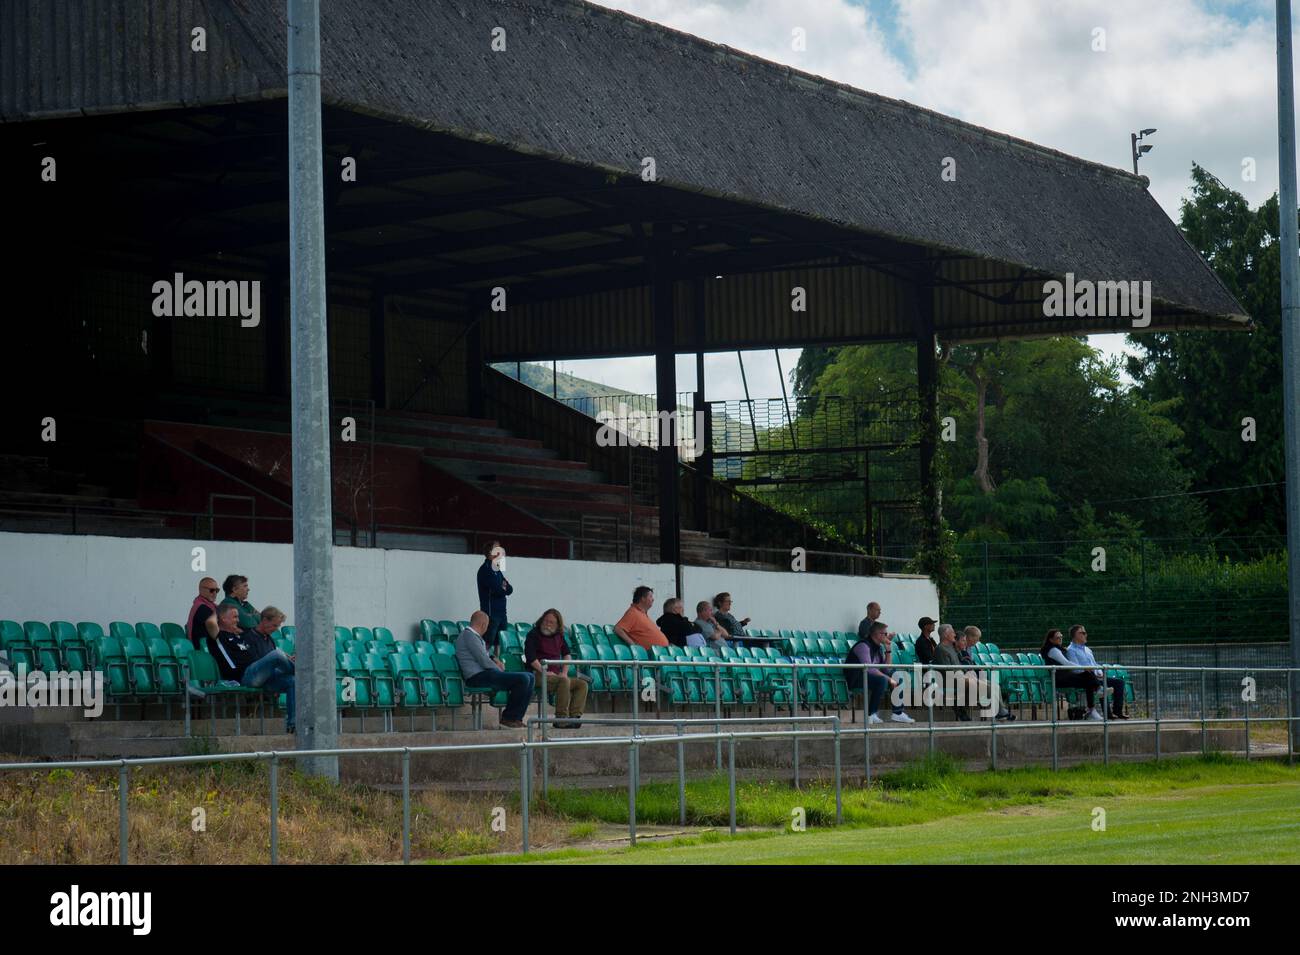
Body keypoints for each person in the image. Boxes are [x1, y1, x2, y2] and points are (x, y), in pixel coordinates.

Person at [209, 605, 296, 733]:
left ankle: (292, 725)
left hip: (263, 678)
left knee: (293, 681)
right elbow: (210, 623)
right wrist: (215, 608)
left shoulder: (244, 637)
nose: (238, 620)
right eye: (235, 617)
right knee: (276, 655)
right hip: (246, 676)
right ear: (223, 619)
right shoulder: (225, 636)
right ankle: (302, 671)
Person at [457, 610, 534, 728]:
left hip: (485, 673)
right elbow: (483, 659)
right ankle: (508, 717)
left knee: (530, 677)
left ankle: (517, 718)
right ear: (483, 625)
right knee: (523, 678)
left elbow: (486, 654)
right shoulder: (469, 635)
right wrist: (500, 671)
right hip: (476, 676)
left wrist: (495, 659)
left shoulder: (475, 637)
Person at [523, 608, 587, 729]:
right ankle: (561, 719)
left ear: (557, 625)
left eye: (551, 622)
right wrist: (545, 672)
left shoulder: (559, 636)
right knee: (564, 681)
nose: (547, 624)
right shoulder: (533, 635)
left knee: (582, 684)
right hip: (537, 674)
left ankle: (574, 718)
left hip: (556, 676)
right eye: (545, 621)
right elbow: (531, 658)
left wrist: (564, 672)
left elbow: (567, 654)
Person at [845, 621, 914, 724]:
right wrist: (889, 679)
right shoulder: (863, 645)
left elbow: (887, 669)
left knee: (897, 676)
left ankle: (897, 713)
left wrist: (888, 651)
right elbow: (869, 668)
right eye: (885, 634)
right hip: (856, 677)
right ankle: (871, 714)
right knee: (882, 680)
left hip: (869, 676)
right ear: (877, 634)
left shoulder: (878, 647)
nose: (887, 636)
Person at [1066, 624, 1128, 719]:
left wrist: (1099, 671)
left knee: (1119, 683)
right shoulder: (1071, 650)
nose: (1085, 635)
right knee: (1102, 685)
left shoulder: (1087, 650)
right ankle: (1108, 714)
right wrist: (1090, 671)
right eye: (1082, 633)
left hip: (1096, 677)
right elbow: (1075, 668)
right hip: (1085, 678)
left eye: (1085, 632)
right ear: (1075, 635)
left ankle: (1117, 711)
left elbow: (1094, 664)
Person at [1040, 628, 1103, 720]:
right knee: (1088, 678)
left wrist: (1085, 669)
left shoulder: (1059, 649)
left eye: (1061, 636)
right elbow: (1066, 663)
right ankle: (1096, 696)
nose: (1060, 639)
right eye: (1058, 637)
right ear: (1051, 640)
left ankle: (1094, 702)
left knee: (1088, 677)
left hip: (1066, 677)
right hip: (1060, 679)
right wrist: (1083, 667)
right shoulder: (1053, 650)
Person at [476, 541, 513, 659]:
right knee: (488, 640)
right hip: (491, 613)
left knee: (499, 641)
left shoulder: (497, 570)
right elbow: (498, 589)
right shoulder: (485, 570)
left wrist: (504, 588)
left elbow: (509, 589)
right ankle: (483, 662)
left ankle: (497, 662)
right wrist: (503, 588)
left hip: (502, 612)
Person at [187, 577, 221, 649]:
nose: (215, 593)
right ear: (201, 590)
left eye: (217, 590)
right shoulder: (201, 607)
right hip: (202, 648)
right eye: (211, 590)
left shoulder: (212, 606)